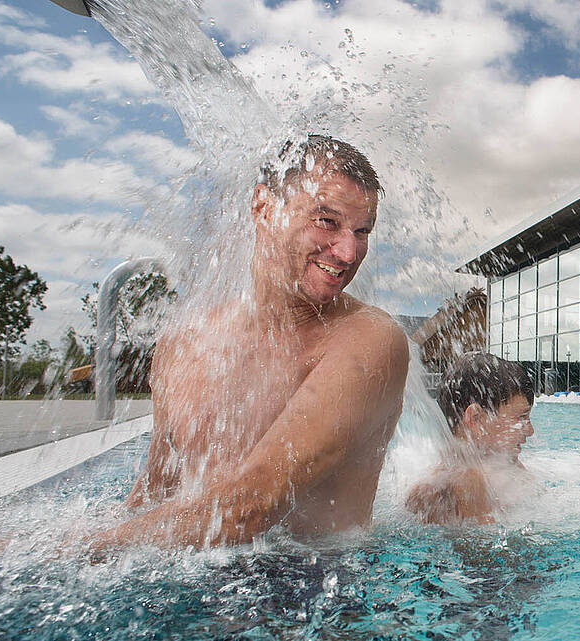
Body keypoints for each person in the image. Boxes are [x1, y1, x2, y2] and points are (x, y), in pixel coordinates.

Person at [87, 135, 409, 554]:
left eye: (362, 231)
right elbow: (154, 496)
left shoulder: (370, 340)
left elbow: (251, 506)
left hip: (322, 595)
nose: (348, 252)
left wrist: (55, 556)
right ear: (263, 207)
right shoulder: (184, 346)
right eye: (327, 222)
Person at [406, 352, 535, 524]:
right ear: (476, 419)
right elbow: (485, 548)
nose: (530, 431)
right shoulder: (467, 480)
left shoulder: (496, 465)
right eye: (520, 417)